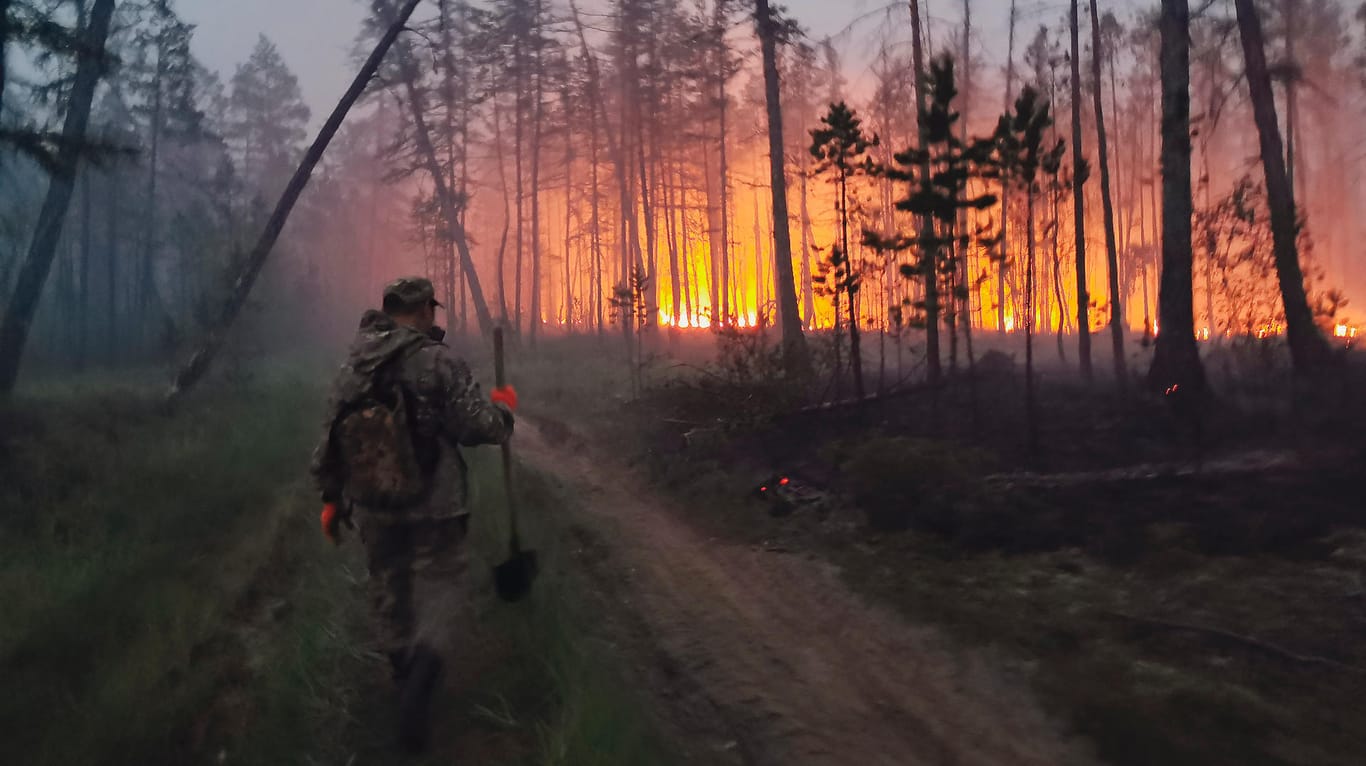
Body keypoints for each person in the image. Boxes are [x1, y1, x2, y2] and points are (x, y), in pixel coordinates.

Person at [310, 276, 516, 753]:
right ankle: (421, 681)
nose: (434, 318)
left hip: (375, 508)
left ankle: (404, 679)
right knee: (441, 590)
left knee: (389, 591)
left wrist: (331, 500)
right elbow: (475, 426)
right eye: (432, 310)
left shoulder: (352, 367)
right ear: (424, 309)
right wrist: (504, 413)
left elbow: (330, 442)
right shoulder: (437, 361)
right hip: (437, 505)